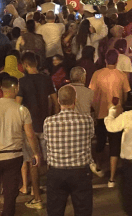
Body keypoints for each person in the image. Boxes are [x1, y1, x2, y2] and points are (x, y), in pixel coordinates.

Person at [0, 75, 41, 216]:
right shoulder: (22, 110)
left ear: (2, 89)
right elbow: (30, 134)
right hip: (13, 156)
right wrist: (36, 153)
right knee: (10, 194)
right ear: (16, 88)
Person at [43, 84, 95, 216]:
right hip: (80, 172)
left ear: (59, 101)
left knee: (55, 211)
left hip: (56, 172)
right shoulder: (87, 120)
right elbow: (90, 137)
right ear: (75, 100)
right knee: (83, 211)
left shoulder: (48, 122)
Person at [16, 51, 58, 209]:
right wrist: (54, 118)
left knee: (34, 162)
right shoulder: (47, 79)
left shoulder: (23, 82)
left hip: (30, 129)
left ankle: (37, 198)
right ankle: (52, 193)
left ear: (26, 65)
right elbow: (56, 102)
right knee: (49, 161)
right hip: (46, 125)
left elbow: (17, 105)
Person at [89, 49, 131, 187]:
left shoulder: (97, 74)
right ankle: (112, 179)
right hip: (117, 115)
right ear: (117, 61)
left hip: (101, 113)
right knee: (114, 146)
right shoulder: (121, 75)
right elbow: (125, 96)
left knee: (100, 142)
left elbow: (92, 95)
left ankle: (99, 166)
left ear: (105, 60)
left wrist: (95, 109)